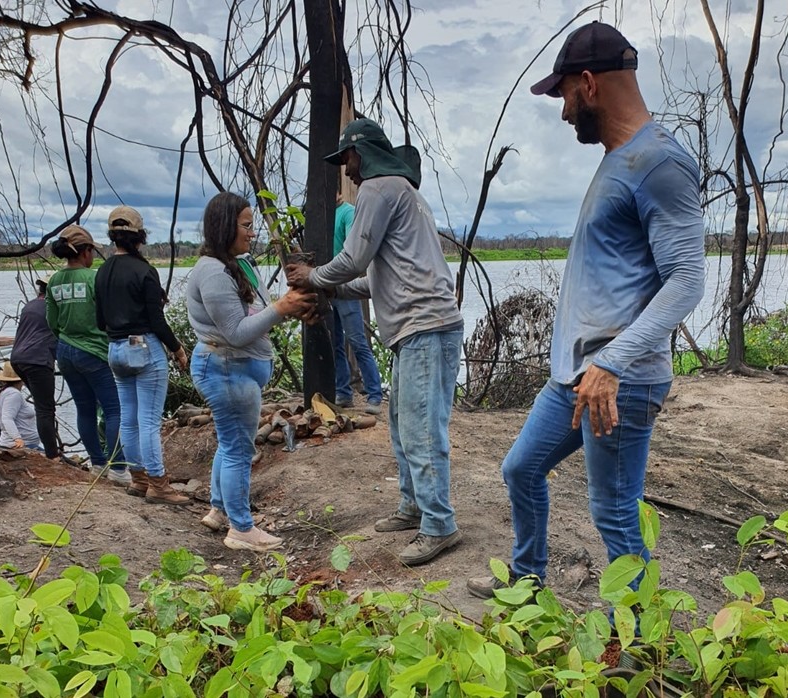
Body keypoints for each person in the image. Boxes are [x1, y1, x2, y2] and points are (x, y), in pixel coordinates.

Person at [466, 22, 705, 598]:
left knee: (615, 514)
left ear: (590, 83)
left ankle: (643, 646)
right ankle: (526, 580)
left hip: (619, 380)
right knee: (520, 468)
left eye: (564, 95)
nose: (564, 111)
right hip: (576, 377)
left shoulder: (660, 164)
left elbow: (688, 280)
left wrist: (614, 363)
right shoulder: (620, 158)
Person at [286, 119, 465, 566]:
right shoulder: (402, 191)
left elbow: (353, 259)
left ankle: (439, 524)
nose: (345, 170)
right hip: (421, 325)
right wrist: (331, 288)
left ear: (361, 153)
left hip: (426, 325)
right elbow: (378, 277)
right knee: (403, 425)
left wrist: (314, 277)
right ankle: (413, 507)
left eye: (346, 158)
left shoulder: (379, 189)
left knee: (421, 430)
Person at [187, 191, 318, 552]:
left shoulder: (239, 263)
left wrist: (290, 306)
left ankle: (218, 510)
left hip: (240, 370)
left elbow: (257, 310)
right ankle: (241, 529)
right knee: (237, 450)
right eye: (246, 225)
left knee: (229, 443)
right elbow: (236, 332)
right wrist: (281, 307)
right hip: (226, 369)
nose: (252, 232)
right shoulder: (213, 272)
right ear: (225, 226)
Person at [95, 206, 189, 505]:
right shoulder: (144, 271)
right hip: (144, 348)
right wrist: (177, 349)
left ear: (113, 237)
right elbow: (158, 321)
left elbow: (100, 321)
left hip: (116, 349)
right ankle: (159, 483)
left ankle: (138, 479)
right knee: (149, 421)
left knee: (129, 418)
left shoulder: (102, 271)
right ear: (140, 236)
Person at [46, 224, 129, 484]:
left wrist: (67, 337)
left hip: (66, 351)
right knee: (114, 409)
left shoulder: (54, 281)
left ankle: (97, 463)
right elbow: (110, 316)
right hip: (94, 351)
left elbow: (52, 322)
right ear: (85, 252)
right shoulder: (93, 279)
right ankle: (118, 467)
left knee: (84, 408)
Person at [332, 192, 383, 414]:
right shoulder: (322, 214)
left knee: (357, 341)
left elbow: (352, 250)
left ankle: (374, 394)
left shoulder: (348, 212)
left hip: (345, 287)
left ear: (339, 191)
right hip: (325, 288)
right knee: (334, 343)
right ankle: (343, 392)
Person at [10, 275, 59, 459]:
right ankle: (52, 455)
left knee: (42, 405)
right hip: (37, 360)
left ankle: (50, 450)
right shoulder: (52, 308)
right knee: (45, 408)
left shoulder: (29, 305)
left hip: (18, 358)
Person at [0, 362, 41, 450]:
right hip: (21, 444)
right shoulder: (13, 394)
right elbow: (7, 418)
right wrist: (17, 439)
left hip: (15, 443)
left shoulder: (3, 393)